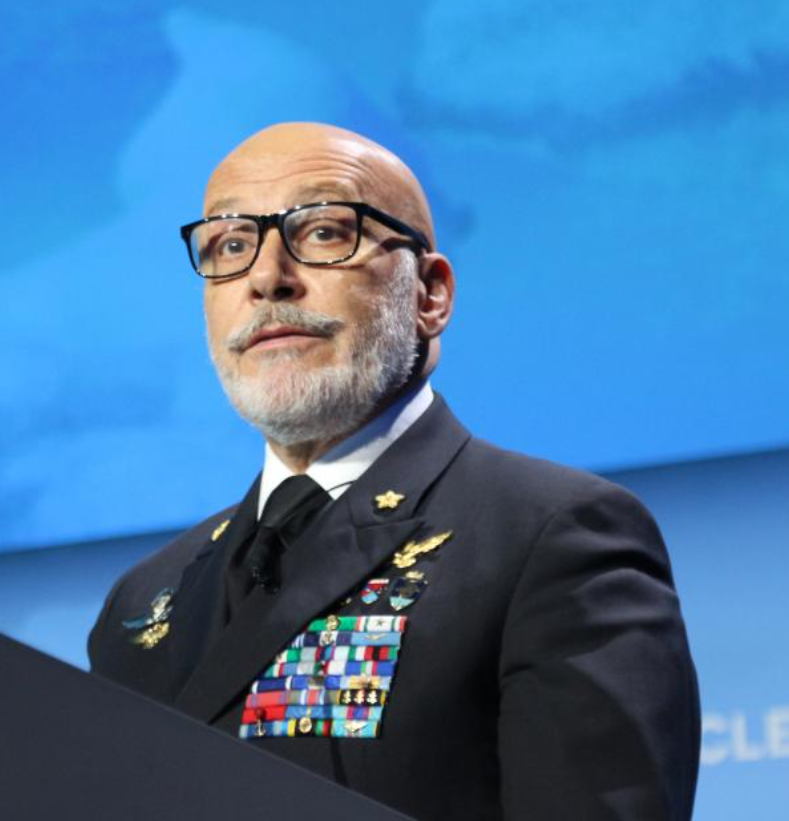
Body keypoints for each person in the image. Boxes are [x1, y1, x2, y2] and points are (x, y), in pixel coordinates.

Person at [88, 122, 700, 821]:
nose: (266, 278)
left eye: (323, 232)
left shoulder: (549, 537)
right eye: (230, 245)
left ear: (429, 294)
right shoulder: (146, 597)